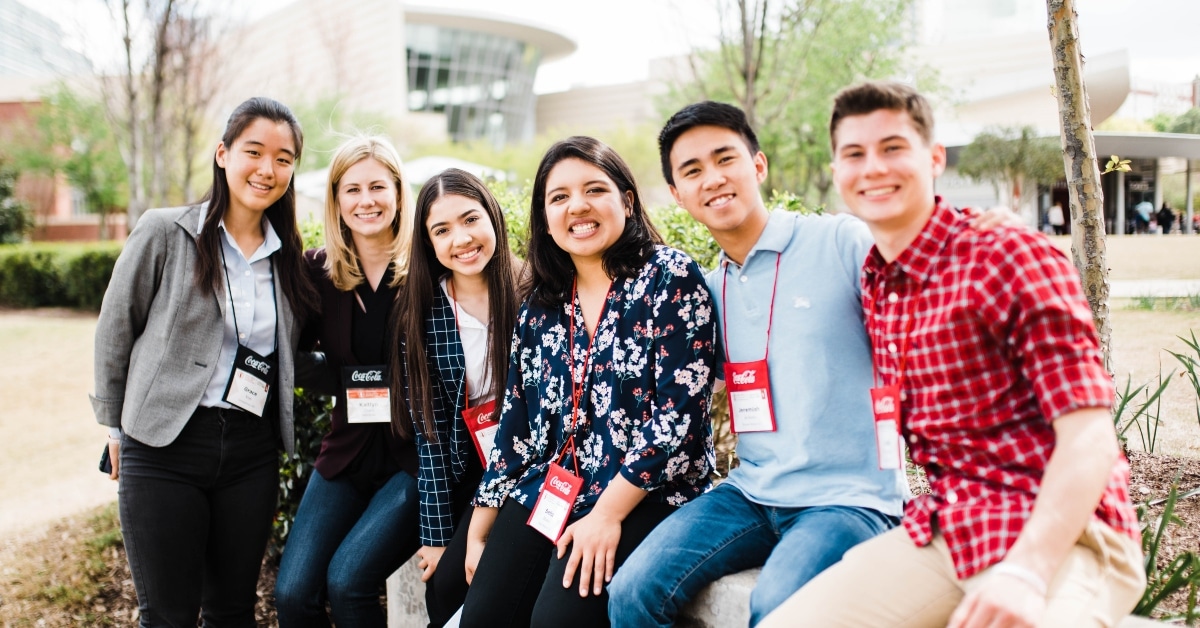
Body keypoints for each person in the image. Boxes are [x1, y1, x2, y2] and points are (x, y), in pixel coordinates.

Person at [609, 101, 1026, 628]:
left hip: (848, 499)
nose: (712, 179)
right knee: (630, 592)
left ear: (757, 166)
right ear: (677, 194)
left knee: (777, 605)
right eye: (692, 171)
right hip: (750, 493)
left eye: (725, 159)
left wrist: (983, 234)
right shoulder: (706, 292)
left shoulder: (839, 240)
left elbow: (921, 260)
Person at [761, 80, 1144, 627]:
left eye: (893, 148)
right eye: (854, 154)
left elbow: (1090, 436)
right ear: (837, 170)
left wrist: (1028, 573)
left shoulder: (1008, 257)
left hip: (1067, 535)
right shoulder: (876, 279)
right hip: (952, 527)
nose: (872, 168)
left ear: (934, 157)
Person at [458, 136, 718, 628]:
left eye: (594, 189)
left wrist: (607, 514)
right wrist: (481, 526)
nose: (577, 206)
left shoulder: (669, 277)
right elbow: (515, 427)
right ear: (545, 218)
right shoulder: (543, 302)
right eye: (559, 197)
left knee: (556, 622)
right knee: (482, 617)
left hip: (646, 490)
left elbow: (678, 421)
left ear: (627, 199)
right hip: (556, 485)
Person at [91, 96, 320, 626]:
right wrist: (113, 428)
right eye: (254, 151)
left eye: (283, 158)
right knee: (168, 615)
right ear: (223, 154)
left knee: (232, 612)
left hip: (250, 453)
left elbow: (293, 357)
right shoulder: (166, 232)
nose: (267, 169)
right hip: (164, 444)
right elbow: (115, 328)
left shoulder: (289, 257)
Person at [273, 135, 419, 627]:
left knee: (347, 582)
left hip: (415, 459)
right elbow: (282, 347)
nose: (366, 200)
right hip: (347, 450)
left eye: (378, 186)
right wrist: (338, 379)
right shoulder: (318, 271)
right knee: (293, 593)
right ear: (335, 200)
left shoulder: (427, 266)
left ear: (398, 192)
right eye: (351, 189)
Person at [390, 168, 522, 627]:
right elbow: (429, 434)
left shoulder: (534, 291)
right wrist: (437, 536)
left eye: (470, 219)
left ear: (493, 217)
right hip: (469, 475)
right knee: (443, 585)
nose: (461, 239)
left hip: (530, 475)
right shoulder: (424, 314)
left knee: (481, 588)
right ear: (428, 243)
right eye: (441, 230)